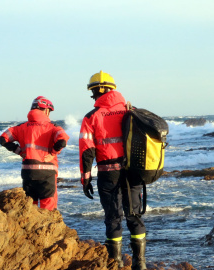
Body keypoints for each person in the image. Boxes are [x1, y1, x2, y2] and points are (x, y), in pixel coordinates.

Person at [79, 71, 146, 269]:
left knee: (113, 218)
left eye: (93, 93)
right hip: (132, 172)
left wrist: (85, 179)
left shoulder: (92, 116)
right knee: (134, 216)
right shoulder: (131, 110)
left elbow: (86, 151)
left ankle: (115, 264)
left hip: (108, 174)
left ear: (98, 90)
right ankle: (140, 264)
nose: (93, 97)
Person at [0, 96, 69, 211]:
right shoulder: (52, 127)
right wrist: (53, 153)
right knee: (48, 207)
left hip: (28, 172)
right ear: (46, 110)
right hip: (47, 171)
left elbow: (3, 139)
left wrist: (19, 151)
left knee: (31, 207)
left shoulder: (21, 127)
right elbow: (62, 141)